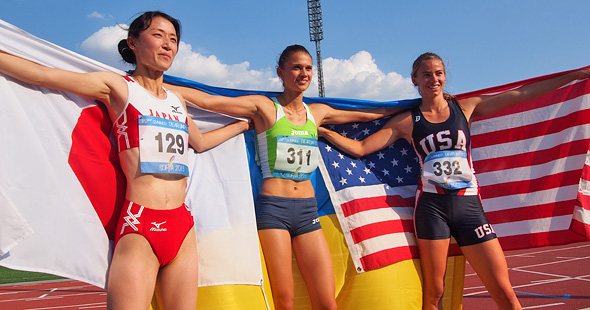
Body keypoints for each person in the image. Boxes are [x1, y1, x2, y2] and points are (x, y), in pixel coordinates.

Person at [0, 11, 250, 310]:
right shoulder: (118, 88)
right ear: (133, 42)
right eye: (158, 35)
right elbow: (42, 76)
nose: (168, 45)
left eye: (173, 39)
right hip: (141, 224)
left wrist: (244, 125)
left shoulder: (176, 100)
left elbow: (199, 142)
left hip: (182, 226)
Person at [317, 52, 590, 310]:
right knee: (434, 293)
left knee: (504, 292)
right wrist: (319, 130)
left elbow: (521, 94)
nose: (432, 79)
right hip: (432, 210)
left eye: (438, 73)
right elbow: (362, 148)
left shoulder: (465, 108)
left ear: (445, 76)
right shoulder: (406, 121)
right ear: (415, 80)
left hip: (469, 208)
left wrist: (575, 75)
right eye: (425, 75)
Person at [167, 44, 398, 310]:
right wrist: (156, 85)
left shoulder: (318, 113)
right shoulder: (264, 107)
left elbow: (368, 113)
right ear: (281, 72)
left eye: (308, 68)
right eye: (297, 67)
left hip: (308, 211)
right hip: (274, 210)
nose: (304, 73)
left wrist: (415, 105)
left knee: (326, 302)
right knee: (284, 301)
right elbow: (208, 101)